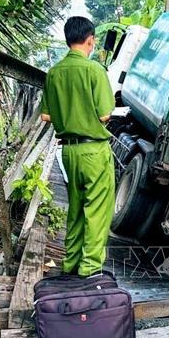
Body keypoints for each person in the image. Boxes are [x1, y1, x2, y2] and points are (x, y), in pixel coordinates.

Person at [40, 16, 116, 277]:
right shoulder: (94, 70)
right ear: (90, 40)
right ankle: (90, 268)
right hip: (93, 150)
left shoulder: (54, 73)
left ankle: (71, 262)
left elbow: (46, 116)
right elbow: (105, 114)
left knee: (76, 209)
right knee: (97, 209)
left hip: (69, 151)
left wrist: (68, 116)